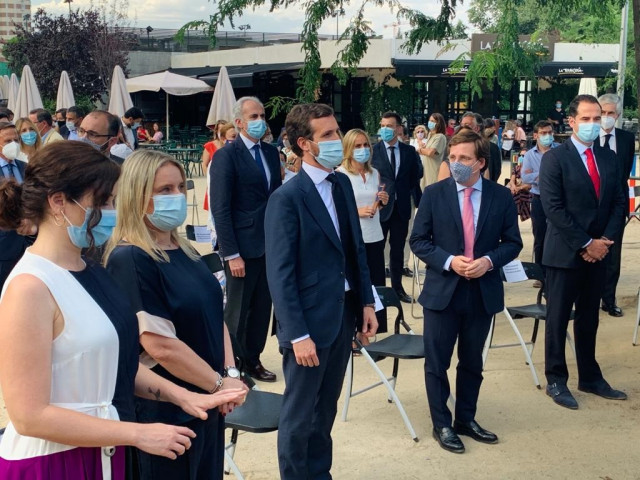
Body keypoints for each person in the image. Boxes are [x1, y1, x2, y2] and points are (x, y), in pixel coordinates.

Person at [0, 141, 244, 479]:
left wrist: (183, 396)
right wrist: (138, 433)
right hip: (56, 461)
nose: (113, 211)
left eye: (113, 201)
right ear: (59, 203)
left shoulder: (92, 271)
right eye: (103, 202)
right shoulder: (30, 287)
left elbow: (120, 365)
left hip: (105, 451)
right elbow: (29, 415)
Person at [105, 149, 248, 479]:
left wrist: (230, 376)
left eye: (181, 187)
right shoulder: (131, 258)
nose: (177, 196)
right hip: (166, 411)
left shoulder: (185, 250)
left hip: (208, 400)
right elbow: (160, 346)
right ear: (138, 196)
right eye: (164, 190)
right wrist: (217, 385)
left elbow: (216, 314)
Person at [264, 103, 377, 479]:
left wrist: (366, 302)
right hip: (307, 323)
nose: (336, 139)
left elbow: (354, 248)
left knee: (324, 410)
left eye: (336, 130)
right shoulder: (286, 199)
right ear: (304, 144)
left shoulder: (341, 182)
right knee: (299, 415)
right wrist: (296, 334)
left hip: (342, 313)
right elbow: (280, 274)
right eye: (327, 135)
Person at [410, 128, 522, 454]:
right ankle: (441, 423)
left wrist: (488, 261)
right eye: (453, 157)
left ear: (481, 163)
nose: (456, 163)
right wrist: (448, 261)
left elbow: (513, 243)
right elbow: (418, 241)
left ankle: (466, 419)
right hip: (443, 292)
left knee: (472, 362)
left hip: (481, 291)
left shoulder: (500, 197)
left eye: (464, 158)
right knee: (437, 362)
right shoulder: (434, 194)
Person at [539, 94, 627, 410]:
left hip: (600, 252)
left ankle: (589, 376)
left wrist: (604, 241)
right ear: (572, 121)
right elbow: (553, 208)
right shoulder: (555, 158)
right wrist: (586, 243)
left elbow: (619, 202)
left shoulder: (609, 158)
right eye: (586, 118)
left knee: (589, 318)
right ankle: (556, 380)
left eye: (598, 117)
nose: (593, 123)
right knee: (558, 319)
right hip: (565, 254)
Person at [210, 97, 282, 382]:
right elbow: (220, 208)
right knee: (238, 310)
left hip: (269, 244)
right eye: (254, 116)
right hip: (241, 247)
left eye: (263, 114)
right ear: (239, 122)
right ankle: (229, 364)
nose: (260, 120)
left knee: (262, 307)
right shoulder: (227, 156)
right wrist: (231, 253)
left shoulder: (269, 151)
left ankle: (252, 359)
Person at [337, 128, 390, 342]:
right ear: (348, 149)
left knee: (376, 282)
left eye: (365, 145)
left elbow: (376, 201)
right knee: (357, 283)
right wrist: (357, 211)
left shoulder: (374, 173)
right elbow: (339, 209)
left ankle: (370, 328)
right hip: (354, 237)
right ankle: (354, 331)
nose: (362, 150)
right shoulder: (340, 174)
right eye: (357, 146)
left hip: (375, 234)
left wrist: (382, 201)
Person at [371, 111, 422, 303]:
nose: (385, 129)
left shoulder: (409, 152)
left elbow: (414, 178)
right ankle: (377, 291)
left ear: (399, 128)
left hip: (401, 207)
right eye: (382, 125)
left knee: (398, 249)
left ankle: (398, 289)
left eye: (389, 126)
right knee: (377, 249)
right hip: (381, 207)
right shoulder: (373, 151)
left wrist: (418, 201)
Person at [598, 93, 636, 317]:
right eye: (603, 112)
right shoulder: (589, 138)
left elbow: (624, 175)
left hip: (617, 206)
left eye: (610, 113)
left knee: (613, 254)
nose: (606, 117)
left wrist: (625, 206)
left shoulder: (626, 139)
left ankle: (608, 300)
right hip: (591, 205)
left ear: (618, 115)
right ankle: (586, 298)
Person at [521, 120, 558, 277]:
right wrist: (546, 175)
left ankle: (555, 271)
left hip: (558, 200)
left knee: (558, 236)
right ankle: (540, 273)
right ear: (535, 135)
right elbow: (525, 177)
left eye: (550, 133)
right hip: (538, 199)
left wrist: (538, 176)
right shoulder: (530, 155)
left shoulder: (560, 151)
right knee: (540, 236)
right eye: (543, 133)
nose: (547, 136)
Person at [0, 122, 31, 290]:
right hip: (3, 244)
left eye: (16, 140)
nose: (13, 144)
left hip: (27, 242)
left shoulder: (24, 166)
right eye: (7, 141)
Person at [417, 114, 447, 189]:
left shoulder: (440, 137)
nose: (430, 123)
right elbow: (426, 150)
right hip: (426, 171)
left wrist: (420, 150)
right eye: (430, 120)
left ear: (439, 123)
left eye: (433, 121)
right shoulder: (430, 135)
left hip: (433, 172)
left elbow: (430, 152)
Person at [507, 147, 532, 221]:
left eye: (524, 156)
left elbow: (530, 184)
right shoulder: (516, 168)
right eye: (521, 156)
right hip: (516, 193)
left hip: (526, 193)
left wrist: (520, 188)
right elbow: (512, 180)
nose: (522, 158)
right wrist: (513, 186)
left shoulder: (530, 169)